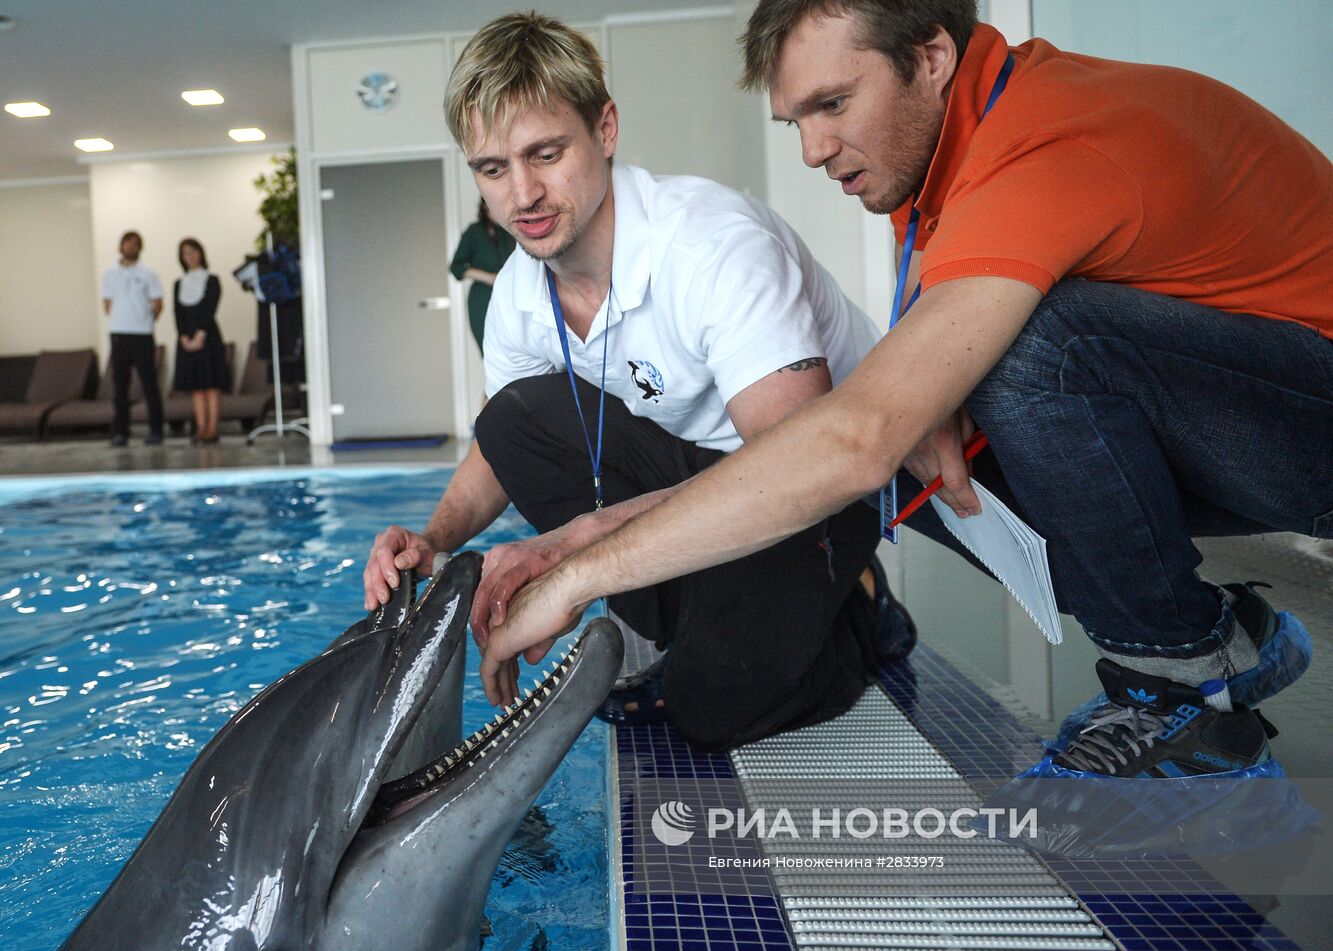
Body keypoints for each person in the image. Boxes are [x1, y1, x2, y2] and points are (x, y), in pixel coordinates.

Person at [479, 0, 1333, 781]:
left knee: (1022, 355)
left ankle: (1182, 676)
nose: (812, 149)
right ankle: (1219, 630)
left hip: (1308, 418)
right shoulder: (938, 163)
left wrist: (572, 574)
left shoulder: (1045, 143)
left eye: (832, 105)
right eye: (797, 121)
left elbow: (853, 436)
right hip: (1229, 424)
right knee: (923, 436)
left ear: (929, 57)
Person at [364, 12, 915, 752]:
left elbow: (802, 463)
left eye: (546, 153)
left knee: (712, 711)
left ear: (606, 129)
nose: (522, 194)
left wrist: (573, 556)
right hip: (696, 480)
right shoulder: (520, 297)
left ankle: (860, 606)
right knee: (510, 418)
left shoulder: (711, 246)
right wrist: (430, 541)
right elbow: (501, 450)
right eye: (492, 169)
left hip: (811, 490)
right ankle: (698, 621)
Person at [101, 230, 164, 446]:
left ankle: (156, 430)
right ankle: (121, 432)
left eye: (135, 244)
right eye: (127, 243)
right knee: (120, 385)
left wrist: (144, 319)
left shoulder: (148, 273)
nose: (131, 247)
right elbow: (107, 304)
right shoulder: (110, 273)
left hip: (143, 335)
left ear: (140, 247)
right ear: (121, 247)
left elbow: (158, 302)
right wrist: (122, 320)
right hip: (119, 334)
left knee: (149, 384)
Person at [172, 238, 229, 444]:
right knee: (196, 386)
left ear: (201, 253)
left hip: (209, 338)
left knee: (211, 385)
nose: (190, 256)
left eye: (194, 251)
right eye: (186, 253)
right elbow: (177, 313)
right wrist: (184, 337)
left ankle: (213, 428)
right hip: (187, 340)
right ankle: (201, 428)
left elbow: (210, 308)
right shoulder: (179, 284)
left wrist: (200, 334)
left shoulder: (212, 280)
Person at [451, 198, 516, 355]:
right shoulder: (475, 231)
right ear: (485, 206)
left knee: (515, 351)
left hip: (510, 297)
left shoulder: (511, 230)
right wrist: (489, 278)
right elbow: (456, 267)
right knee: (491, 352)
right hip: (483, 299)